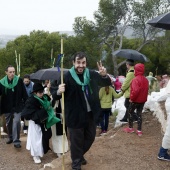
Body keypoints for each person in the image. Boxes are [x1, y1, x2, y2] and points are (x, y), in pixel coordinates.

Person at [52, 52, 111, 170]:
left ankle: (78, 155)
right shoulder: (66, 77)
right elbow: (55, 94)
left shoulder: (92, 74)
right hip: (75, 115)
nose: (81, 65)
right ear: (73, 63)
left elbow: (106, 83)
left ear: (86, 63)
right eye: (78, 62)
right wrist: (59, 91)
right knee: (76, 141)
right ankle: (76, 164)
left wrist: (104, 75)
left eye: (83, 62)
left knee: (90, 137)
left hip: (91, 114)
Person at [21, 83, 60, 164]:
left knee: (43, 137)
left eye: (42, 91)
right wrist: (40, 113)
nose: (41, 93)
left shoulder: (45, 97)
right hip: (35, 122)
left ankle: (41, 151)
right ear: (35, 93)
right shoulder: (31, 100)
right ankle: (35, 155)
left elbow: (50, 105)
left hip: (44, 121)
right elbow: (26, 113)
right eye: (39, 92)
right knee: (36, 139)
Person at [0, 65, 28, 148]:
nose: (12, 74)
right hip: (7, 106)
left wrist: (27, 103)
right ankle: (11, 137)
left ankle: (16, 141)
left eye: (13, 72)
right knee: (9, 123)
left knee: (16, 122)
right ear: (6, 72)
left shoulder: (18, 80)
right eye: (10, 72)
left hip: (17, 106)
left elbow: (24, 93)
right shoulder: (2, 82)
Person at [44, 80, 69, 158]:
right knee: (57, 134)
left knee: (64, 133)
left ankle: (64, 149)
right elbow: (50, 104)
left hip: (63, 115)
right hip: (55, 116)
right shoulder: (50, 93)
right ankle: (58, 151)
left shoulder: (64, 93)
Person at [123, 63, 149, 136]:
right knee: (139, 113)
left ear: (136, 70)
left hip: (135, 100)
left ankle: (130, 128)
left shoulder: (135, 80)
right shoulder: (146, 80)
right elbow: (146, 90)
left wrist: (131, 99)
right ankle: (139, 130)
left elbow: (135, 91)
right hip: (143, 100)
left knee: (130, 112)